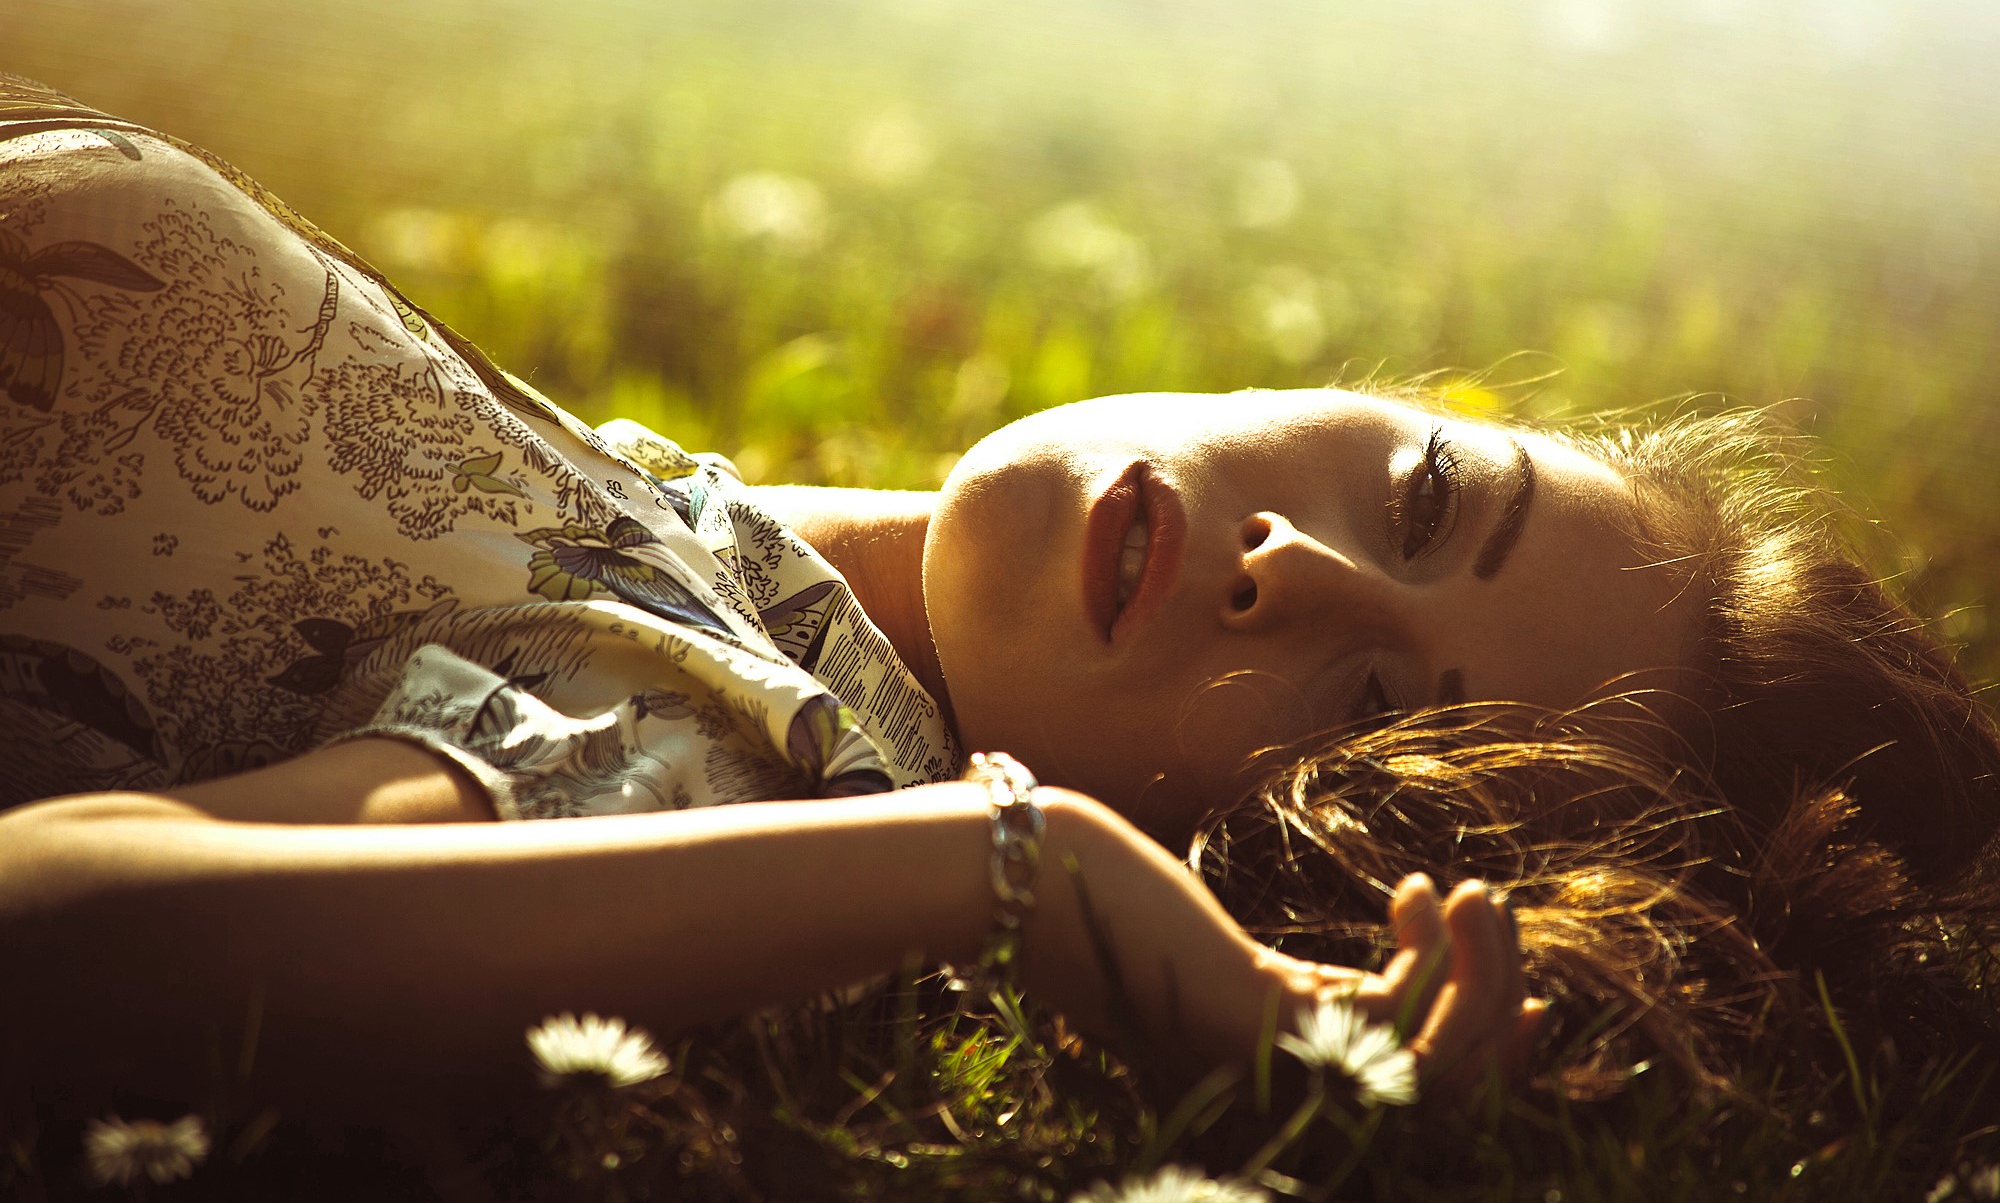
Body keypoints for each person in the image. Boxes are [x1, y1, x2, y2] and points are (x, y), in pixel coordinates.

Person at [0, 74, 1989, 1117]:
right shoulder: (716, 563)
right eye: (1419, 487)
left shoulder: (754, 722)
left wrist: (1012, 865)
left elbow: (61, 926)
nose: (1294, 569)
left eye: (1371, 708)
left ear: (1266, 867)